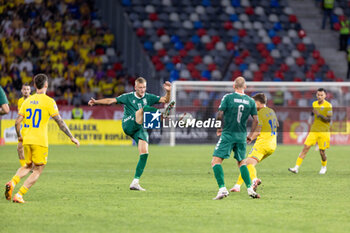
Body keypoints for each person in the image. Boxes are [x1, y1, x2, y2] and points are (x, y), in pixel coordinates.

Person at [88, 77, 174, 191]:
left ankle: (135, 182)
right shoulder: (127, 96)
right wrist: (96, 102)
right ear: (135, 88)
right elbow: (111, 101)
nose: (142, 90)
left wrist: (168, 91)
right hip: (128, 123)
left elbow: (165, 100)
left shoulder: (148, 97)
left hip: (138, 127)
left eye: (144, 87)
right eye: (140, 88)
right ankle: (162, 114)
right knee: (144, 109)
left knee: (144, 153)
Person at [4, 74, 80, 203]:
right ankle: (19, 195)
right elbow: (59, 122)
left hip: (27, 139)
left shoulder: (26, 101)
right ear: (46, 85)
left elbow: (17, 122)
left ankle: (12, 182)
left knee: (27, 166)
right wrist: (71, 137)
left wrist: (20, 137)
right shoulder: (49, 101)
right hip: (40, 141)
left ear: (34, 86)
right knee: (38, 170)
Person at [211, 77, 260, 200]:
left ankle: (222, 189)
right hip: (242, 136)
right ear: (245, 87)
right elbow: (256, 120)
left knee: (216, 161)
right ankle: (249, 188)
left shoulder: (228, 97)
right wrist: (250, 135)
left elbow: (220, 114)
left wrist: (218, 128)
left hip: (228, 134)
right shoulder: (250, 101)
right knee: (241, 162)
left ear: (234, 86)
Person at [231, 93, 279, 193]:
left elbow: (258, 130)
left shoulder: (260, 113)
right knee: (248, 163)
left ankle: (254, 180)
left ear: (257, 103)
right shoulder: (271, 111)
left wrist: (250, 138)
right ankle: (237, 186)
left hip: (263, 143)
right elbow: (277, 124)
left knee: (247, 163)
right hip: (272, 145)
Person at [289, 88, 332, 175]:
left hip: (324, 132)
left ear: (325, 96)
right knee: (305, 148)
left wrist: (319, 115)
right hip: (314, 131)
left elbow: (328, 119)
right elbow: (313, 112)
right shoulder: (314, 103)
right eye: (318, 95)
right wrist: (311, 116)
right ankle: (296, 168)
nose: (319, 97)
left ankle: (324, 167)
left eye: (321, 95)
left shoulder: (328, 106)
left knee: (322, 152)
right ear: (316, 95)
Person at [17, 83, 31, 167]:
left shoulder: (33, 100)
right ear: (22, 91)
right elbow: (20, 115)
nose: (26, 91)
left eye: (27, 89)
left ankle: (32, 166)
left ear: (30, 91)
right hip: (24, 128)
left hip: (33, 129)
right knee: (19, 148)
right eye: (24, 89)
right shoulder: (20, 101)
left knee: (30, 149)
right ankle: (24, 166)